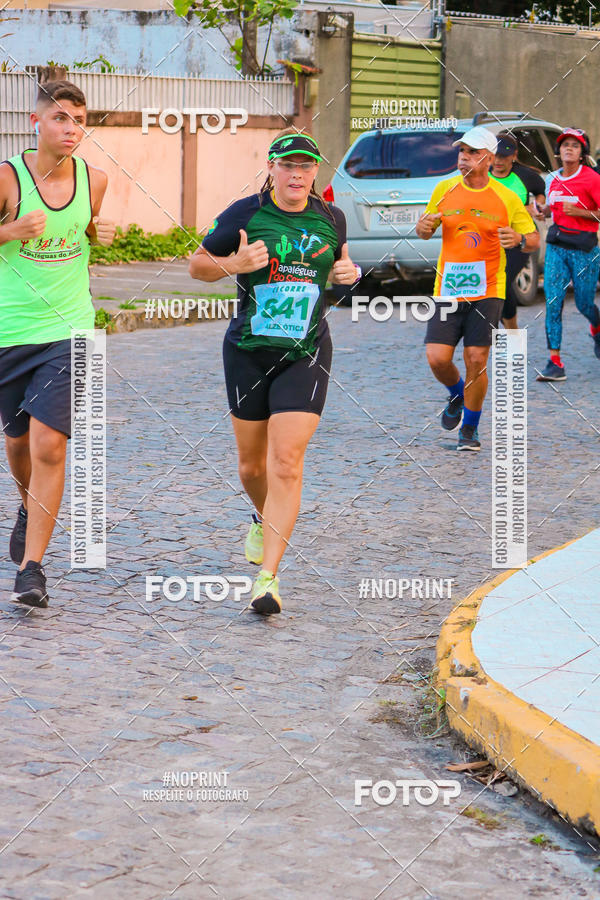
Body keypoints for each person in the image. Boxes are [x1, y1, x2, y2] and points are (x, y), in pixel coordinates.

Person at [189, 129, 358, 615]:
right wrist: (235, 262)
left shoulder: (332, 217)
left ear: (316, 171)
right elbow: (196, 265)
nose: (297, 175)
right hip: (248, 351)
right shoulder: (245, 213)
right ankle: (263, 519)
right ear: (271, 168)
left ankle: (268, 578)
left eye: (306, 166)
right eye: (288, 165)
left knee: (286, 461)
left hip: (305, 351)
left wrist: (348, 275)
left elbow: (339, 270)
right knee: (252, 467)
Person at [0, 79, 115, 608]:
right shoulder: (8, 178)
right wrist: (9, 231)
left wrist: (100, 234)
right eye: (61, 118)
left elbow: (86, 232)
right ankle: (28, 506)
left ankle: (32, 570)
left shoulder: (95, 181)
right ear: (37, 122)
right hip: (9, 333)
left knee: (49, 445)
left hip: (71, 332)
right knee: (18, 443)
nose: (72, 129)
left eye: (79, 121)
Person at [416, 125, 539, 451]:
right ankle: (458, 393)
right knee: (437, 358)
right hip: (448, 288)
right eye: (461, 151)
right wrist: (423, 226)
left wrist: (519, 239)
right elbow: (425, 231)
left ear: (489, 158)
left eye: (472, 152)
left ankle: (469, 429)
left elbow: (533, 239)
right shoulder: (444, 188)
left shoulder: (507, 197)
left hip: (489, 289)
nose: (463, 157)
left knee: (476, 357)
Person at [535, 127, 600, 381]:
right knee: (553, 302)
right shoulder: (553, 178)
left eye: (575, 145)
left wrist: (581, 212)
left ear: (582, 153)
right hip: (556, 247)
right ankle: (555, 362)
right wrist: (543, 211)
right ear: (559, 151)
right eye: (565, 145)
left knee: (584, 303)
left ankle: (596, 328)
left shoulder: (592, 179)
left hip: (584, 250)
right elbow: (553, 208)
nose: (569, 149)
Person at [490, 132, 546, 329]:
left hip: (520, 239)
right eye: (495, 155)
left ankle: (511, 330)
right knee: (494, 286)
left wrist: (535, 207)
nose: (498, 161)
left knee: (503, 281)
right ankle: (501, 331)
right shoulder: (482, 174)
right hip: (490, 240)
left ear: (514, 156)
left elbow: (541, 191)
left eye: (504, 156)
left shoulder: (525, 175)